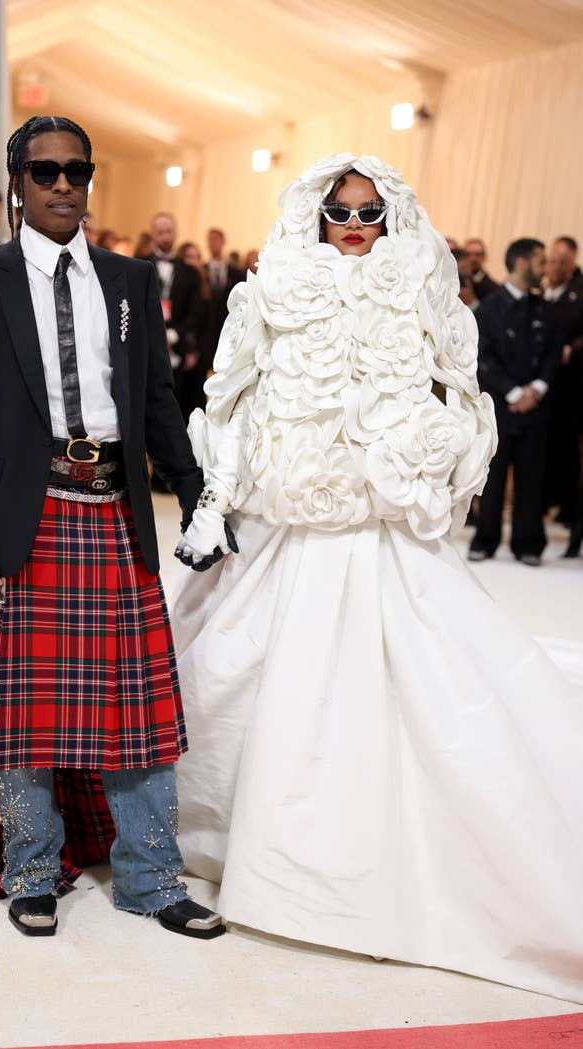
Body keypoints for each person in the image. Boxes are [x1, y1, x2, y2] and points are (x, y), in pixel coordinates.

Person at [170, 153, 583, 1003]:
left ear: (388, 218)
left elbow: (463, 393)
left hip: (387, 521)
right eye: (340, 213)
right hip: (289, 522)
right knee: (236, 667)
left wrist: (440, 456)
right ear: (315, 216)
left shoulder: (421, 286)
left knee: (432, 681)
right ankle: (237, 833)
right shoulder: (269, 289)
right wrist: (217, 497)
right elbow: (232, 397)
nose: (355, 227)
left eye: (369, 214)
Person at [0, 115, 224, 942]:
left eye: (75, 172)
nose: (61, 185)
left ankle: (152, 878)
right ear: (16, 182)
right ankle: (31, 870)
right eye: (44, 171)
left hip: (115, 515)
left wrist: (197, 493)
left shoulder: (129, 279)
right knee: (25, 710)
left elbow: (156, 399)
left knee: (139, 705)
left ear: (90, 181)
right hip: (24, 518)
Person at [469, 239, 560, 565]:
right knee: (491, 480)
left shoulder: (546, 309)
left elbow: (553, 354)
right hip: (500, 408)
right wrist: (513, 392)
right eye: (541, 261)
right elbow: (482, 359)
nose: (546, 267)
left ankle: (528, 544)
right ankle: (485, 539)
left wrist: (536, 388)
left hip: (536, 409)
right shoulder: (490, 309)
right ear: (521, 263)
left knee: (531, 479)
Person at [145, 212, 204, 423]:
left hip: (177, 349)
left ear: (176, 233)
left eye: (169, 231)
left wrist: (175, 334)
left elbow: (196, 312)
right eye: (160, 232)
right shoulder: (139, 265)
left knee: (174, 402)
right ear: (153, 234)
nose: (165, 237)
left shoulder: (190, 272)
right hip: (147, 345)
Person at [541, 236, 583, 524]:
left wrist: (573, 349)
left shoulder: (579, 294)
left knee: (566, 450)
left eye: (562, 262)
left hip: (570, 389)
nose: (555, 267)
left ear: (572, 266)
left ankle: (567, 508)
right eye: (552, 261)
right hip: (541, 386)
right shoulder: (538, 292)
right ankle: (540, 503)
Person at [204, 228, 243, 374]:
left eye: (216, 239)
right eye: (210, 239)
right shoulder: (202, 270)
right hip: (208, 329)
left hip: (227, 325)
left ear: (223, 241)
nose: (213, 243)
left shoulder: (235, 272)